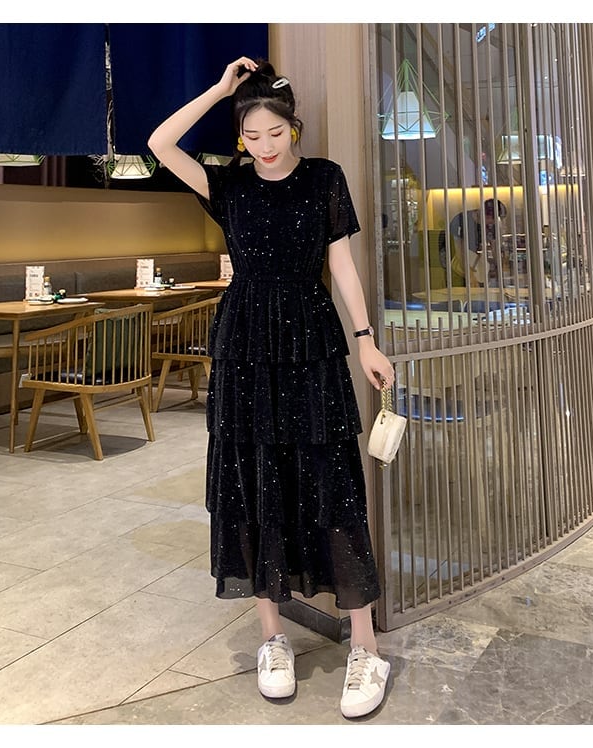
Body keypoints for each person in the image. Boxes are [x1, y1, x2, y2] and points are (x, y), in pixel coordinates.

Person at [148, 56, 394, 719]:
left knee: (333, 482)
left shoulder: (324, 178)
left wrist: (366, 337)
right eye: (252, 136)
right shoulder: (227, 185)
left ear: (295, 127)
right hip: (245, 347)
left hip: (311, 342)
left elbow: (341, 265)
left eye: (275, 133)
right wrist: (219, 90)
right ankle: (272, 638)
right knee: (253, 484)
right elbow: (159, 143)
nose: (264, 146)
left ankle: (366, 646)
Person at [445, 198, 507, 286]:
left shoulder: (491, 225)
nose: (492, 224)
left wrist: (499, 268)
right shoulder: (459, 221)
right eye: (492, 220)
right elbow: (459, 251)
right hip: (457, 267)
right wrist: (470, 275)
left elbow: (495, 248)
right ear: (486, 215)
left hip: (476, 267)